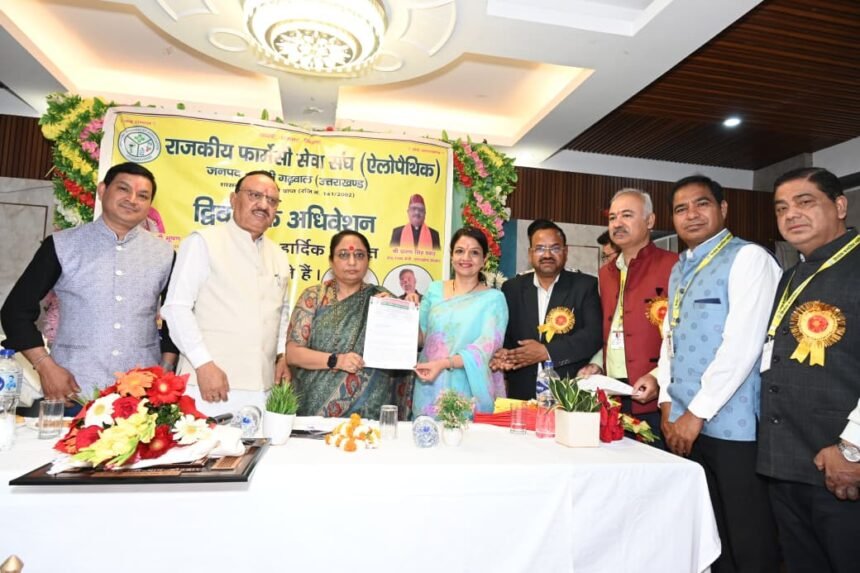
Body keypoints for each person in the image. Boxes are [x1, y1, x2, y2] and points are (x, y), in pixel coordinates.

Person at [657, 175, 781, 573]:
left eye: (702, 204)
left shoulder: (750, 259)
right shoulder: (680, 267)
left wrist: (696, 413)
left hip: (735, 427)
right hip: (684, 423)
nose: (691, 215)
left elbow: (743, 345)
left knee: (748, 535)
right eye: (681, 209)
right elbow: (670, 339)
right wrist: (666, 401)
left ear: (723, 209)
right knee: (711, 535)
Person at [1, 162, 176, 399]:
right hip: (72, 389)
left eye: (143, 195)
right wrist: (45, 366)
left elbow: (176, 318)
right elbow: (15, 311)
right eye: (123, 189)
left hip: (142, 394)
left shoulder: (164, 253)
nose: (132, 199)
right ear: (102, 190)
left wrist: (165, 370)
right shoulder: (62, 245)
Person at [758, 167, 860, 572]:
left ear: (840, 205)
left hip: (841, 460)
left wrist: (852, 448)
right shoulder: (792, 275)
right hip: (786, 460)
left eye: (805, 203)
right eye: (781, 208)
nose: (791, 215)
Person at [161, 170, 290, 416]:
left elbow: (281, 314)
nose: (264, 205)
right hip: (210, 385)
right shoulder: (203, 242)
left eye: (272, 201)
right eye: (255, 195)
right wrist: (203, 363)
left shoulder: (279, 255)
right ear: (233, 199)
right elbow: (176, 308)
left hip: (263, 390)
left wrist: (281, 355)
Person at [578, 189, 678, 441]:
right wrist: (598, 363)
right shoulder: (607, 272)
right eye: (612, 217)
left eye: (627, 215)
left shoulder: (674, 266)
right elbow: (610, 327)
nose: (617, 223)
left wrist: (658, 376)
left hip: (654, 392)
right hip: (613, 392)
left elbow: (682, 336)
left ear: (650, 220)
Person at [287, 230, 403, 419]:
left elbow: (413, 342)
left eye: (359, 255)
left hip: (368, 414)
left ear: (368, 260)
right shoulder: (314, 297)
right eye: (343, 255)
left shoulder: (382, 299)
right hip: (313, 414)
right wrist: (337, 361)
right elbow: (293, 354)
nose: (352, 262)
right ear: (331, 261)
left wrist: (400, 312)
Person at [493, 220, 602, 400]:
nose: (547, 254)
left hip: (569, 394)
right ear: (530, 253)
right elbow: (506, 336)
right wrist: (505, 353)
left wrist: (547, 351)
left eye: (555, 248)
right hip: (522, 394)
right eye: (540, 248)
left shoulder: (585, 286)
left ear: (565, 252)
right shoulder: (512, 288)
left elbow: (593, 335)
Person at [413, 227, 508, 415]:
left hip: (468, 389)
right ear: (451, 256)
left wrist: (443, 363)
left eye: (474, 253)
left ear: (484, 259)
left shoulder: (494, 299)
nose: (466, 258)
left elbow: (484, 349)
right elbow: (421, 339)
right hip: (429, 384)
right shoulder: (434, 290)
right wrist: (407, 313)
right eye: (459, 251)